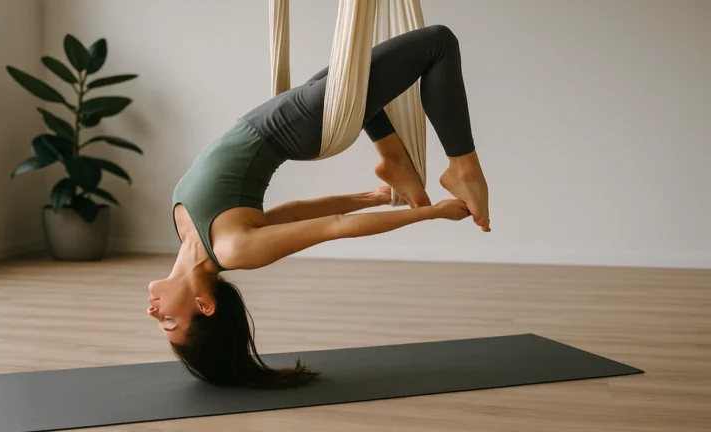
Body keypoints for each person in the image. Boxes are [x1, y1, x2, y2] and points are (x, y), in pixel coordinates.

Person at [147, 24, 490, 388]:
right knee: (438, 43)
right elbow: (334, 226)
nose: (152, 311)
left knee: (355, 78)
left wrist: (371, 198)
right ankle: (463, 169)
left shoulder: (192, 237)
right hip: (292, 127)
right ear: (204, 305)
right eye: (168, 321)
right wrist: (430, 213)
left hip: (283, 119)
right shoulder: (233, 250)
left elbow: (295, 213)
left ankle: (394, 159)